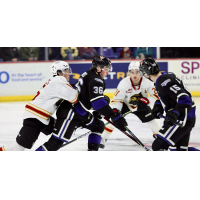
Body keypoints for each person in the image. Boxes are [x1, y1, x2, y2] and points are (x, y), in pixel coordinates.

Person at [35, 56, 128, 151]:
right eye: (106, 69)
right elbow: (97, 101)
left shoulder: (89, 74)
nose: (108, 72)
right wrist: (113, 115)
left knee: (98, 126)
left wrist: (98, 110)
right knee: (55, 143)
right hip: (70, 113)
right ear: (98, 68)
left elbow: (87, 98)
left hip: (79, 112)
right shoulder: (96, 80)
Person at [0, 61, 78, 151]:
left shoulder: (56, 81)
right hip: (35, 118)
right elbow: (74, 98)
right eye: (67, 71)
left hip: (42, 118)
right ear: (59, 72)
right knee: (16, 148)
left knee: (60, 128)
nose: (69, 73)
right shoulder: (59, 80)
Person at [139, 57, 198, 151]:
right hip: (187, 117)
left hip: (182, 120)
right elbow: (170, 95)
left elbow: (185, 99)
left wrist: (175, 113)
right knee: (179, 150)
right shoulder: (165, 76)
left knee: (158, 145)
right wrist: (159, 104)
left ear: (146, 73)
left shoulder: (163, 82)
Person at [100, 61, 161, 149]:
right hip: (126, 104)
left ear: (141, 72)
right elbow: (117, 99)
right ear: (129, 72)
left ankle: (159, 138)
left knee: (153, 122)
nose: (134, 75)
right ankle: (103, 138)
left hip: (141, 105)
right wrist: (116, 111)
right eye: (132, 72)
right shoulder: (124, 83)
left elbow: (155, 96)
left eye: (137, 72)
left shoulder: (147, 81)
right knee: (112, 120)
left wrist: (148, 103)